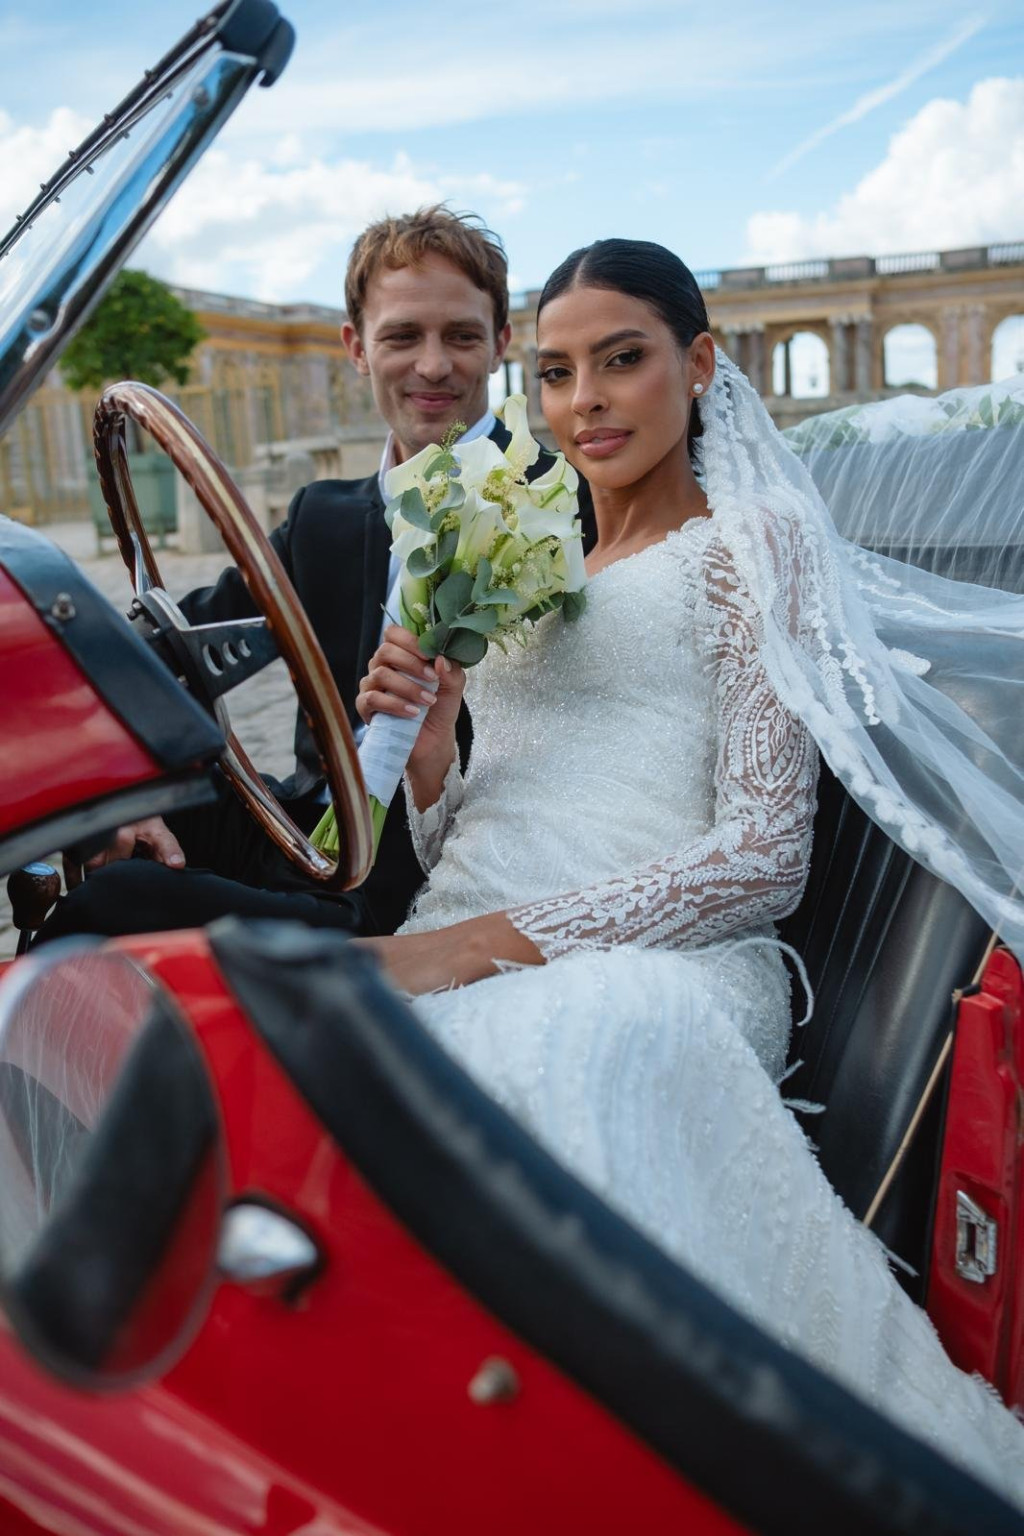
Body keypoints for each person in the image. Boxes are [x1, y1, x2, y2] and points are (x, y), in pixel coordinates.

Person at [351, 238, 1024, 1507]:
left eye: (622, 361)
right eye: (553, 373)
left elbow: (765, 857)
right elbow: (480, 825)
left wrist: (457, 950)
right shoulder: (528, 559)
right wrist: (436, 753)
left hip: (660, 965)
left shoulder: (752, 544)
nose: (585, 401)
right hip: (457, 930)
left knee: (566, 1047)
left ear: (699, 365)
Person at [37, 207, 593, 946]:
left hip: (438, 880)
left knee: (109, 909)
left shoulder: (563, 506)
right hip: (300, 834)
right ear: (356, 348)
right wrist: (121, 792)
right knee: (95, 821)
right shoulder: (322, 518)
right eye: (401, 336)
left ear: (500, 344)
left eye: (460, 335)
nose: (433, 365)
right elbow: (171, 643)